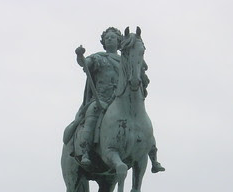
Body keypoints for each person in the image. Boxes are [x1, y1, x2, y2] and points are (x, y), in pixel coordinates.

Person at [68, 27, 164, 173]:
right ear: (104, 42)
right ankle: (85, 151)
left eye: (113, 37)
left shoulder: (125, 60)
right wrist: (80, 56)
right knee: (92, 112)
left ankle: (153, 156)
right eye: (107, 38)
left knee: (141, 118)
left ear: (119, 41)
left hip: (121, 99)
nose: (110, 39)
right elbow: (85, 64)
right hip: (101, 99)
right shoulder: (99, 57)